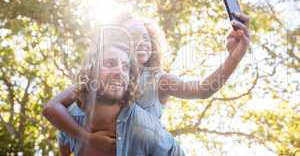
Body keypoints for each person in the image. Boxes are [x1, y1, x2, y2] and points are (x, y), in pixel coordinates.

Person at [43, 12, 250, 154]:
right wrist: (87, 138)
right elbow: (55, 112)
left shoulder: (158, 80)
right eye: (132, 37)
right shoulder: (100, 79)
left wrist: (233, 57)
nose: (142, 42)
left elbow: (203, 89)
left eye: (144, 37)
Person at [55, 37, 185, 156]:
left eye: (125, 67)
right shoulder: (71, 118)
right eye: (110, 64)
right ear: (90, 71)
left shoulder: (147, 132)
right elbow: (63, 142)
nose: (119, 72)